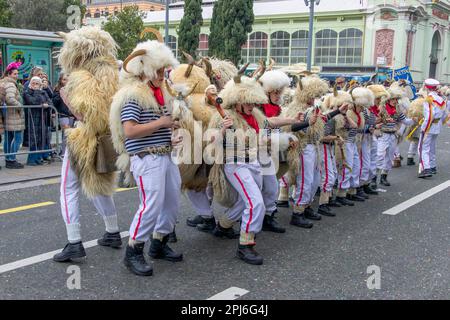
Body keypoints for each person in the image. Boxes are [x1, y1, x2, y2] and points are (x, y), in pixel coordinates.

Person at [208, 69, 303, 265]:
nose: (252, 105)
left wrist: (293, 120)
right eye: (248, 102)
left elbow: (271, 122)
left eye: (253, 101)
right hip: (235, 165)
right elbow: (210, 140)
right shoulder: (225, 116)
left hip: (253, 163)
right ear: (237, 100)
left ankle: (223, 226)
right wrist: (223, 129)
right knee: (255, 202)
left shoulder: (255, 115)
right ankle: (246, 245)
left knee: (247, 202)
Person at [110, 40, 182, 276]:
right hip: (146, 159)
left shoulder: (159, 94)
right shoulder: (133, 95)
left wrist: (169, 137)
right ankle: (133, 251)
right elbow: (129, 130)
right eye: (159, 71)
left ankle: (159, 243)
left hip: (165, 155)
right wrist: (162, 123)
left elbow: (157, 127)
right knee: (150, 206)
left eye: (164, 71)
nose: (163, 75)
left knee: (171, 202)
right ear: (146, 70)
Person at [52, 26, 122, 263]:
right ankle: (113, 232)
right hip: (106, 138)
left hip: (83, 138)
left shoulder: (81, 76)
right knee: (99, 186)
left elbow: (86, 114)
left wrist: (65, 97)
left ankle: (74, 243)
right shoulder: (114, 74)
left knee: (68, 188)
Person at [376, 87, 414, 185]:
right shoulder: (381, 108)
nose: (395, 101)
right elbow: (375, 121)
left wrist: (415, 119)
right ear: (388, 99)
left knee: (389, 158)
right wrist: (384, 120)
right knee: (379, 156)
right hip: (383, 135)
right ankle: (373, 178)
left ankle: (384, 177)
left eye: (396, 99)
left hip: (393, 135)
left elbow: (405, 121)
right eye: (393, 99)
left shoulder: (397, 110)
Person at [417, 79, 449, 178]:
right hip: (437, 126)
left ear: (426, 87)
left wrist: (424, 127)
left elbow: (430, 115)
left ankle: (426, 169)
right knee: (432, 147)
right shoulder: (441, 99)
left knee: (422, 148)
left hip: (429, 126)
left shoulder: (429, 98)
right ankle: (432, 166)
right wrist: (439, 123)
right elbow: (445, 114)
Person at [0, 61, 25, 169]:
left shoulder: (4, 82)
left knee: (8, 139)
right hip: (13, 115)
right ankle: (11, 159)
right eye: (14, 73)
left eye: (17, 73)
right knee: (17, 139)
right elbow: (10, 99)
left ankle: (8, 159)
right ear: (9, 74)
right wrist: (20, 106)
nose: (17, 75)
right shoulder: (10, 84)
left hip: (8, 115)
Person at [22, 77, 52, 166]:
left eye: (37, 83)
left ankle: (38, 158)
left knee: (40, 139)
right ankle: (31, 160)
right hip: (32, 118)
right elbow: (33, 102)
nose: (35, 85)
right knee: (33, 139)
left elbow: (50, 103)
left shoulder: (44, 92)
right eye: (33, 83)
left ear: (40, 84)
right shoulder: (27, 92)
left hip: (42, 118)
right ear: (30, 83)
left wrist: (47, 105)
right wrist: (37, 92)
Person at [52, 72, 74, 156]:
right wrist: (62, 94)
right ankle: (64, 153)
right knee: (66, 134)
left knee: (71, 135)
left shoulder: (72, 89)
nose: (66, 81)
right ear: (61, 80)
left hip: (72, 115)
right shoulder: (57, 89)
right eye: (64, 79)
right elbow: (54, 102)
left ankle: (70, 152)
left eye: (67, 80)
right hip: (63, 114)